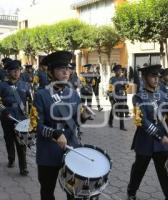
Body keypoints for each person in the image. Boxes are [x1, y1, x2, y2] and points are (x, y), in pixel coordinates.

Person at [32, 51, 91, 200]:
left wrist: (83, 117)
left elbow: (75, 123)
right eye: (60, 69)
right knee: (47, 190)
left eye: (68, 68)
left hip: (71, 148)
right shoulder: (41, 95)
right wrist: (55, 133)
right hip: (48, 152)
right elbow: (35, 126)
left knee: (73, 191)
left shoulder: (73, 94)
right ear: (51, 72)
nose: (66, 71)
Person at [127, 64, 168, 200]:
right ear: (144, 78)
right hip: (145, 141)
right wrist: (160, 136)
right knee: (139, 169)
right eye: (152, 76)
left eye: (157, 76)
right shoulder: (138, 97)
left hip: (162, 144)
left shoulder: (163, 95)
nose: (156, 79)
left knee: (164, 172)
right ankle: (131, 192)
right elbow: (142, 121)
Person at [0, 59, 31, 176]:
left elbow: (31, 101)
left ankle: (23, 167)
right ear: (8, 72)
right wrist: (3, 111)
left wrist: (30, 117)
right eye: (13, 70)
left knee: (21, 142)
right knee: (9, 139)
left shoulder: (25, 85)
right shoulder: (2, 85)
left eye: (18, 70)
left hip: (21, 117)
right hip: (6, 117)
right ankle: (11, 158)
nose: (16, 73)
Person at [107, 64, 128, 131]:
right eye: (117, 71)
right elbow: (110, 89)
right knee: (113, 109)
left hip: (121, 96)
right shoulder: (112, 79)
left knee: (121, 111)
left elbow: (126, 87)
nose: (119, 72)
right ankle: (110, 122)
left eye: (120, 70)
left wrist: (125, 86)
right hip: (114, 96)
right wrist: (112, 98)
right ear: (115, 72)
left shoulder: (123, 78)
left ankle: (122, 126)